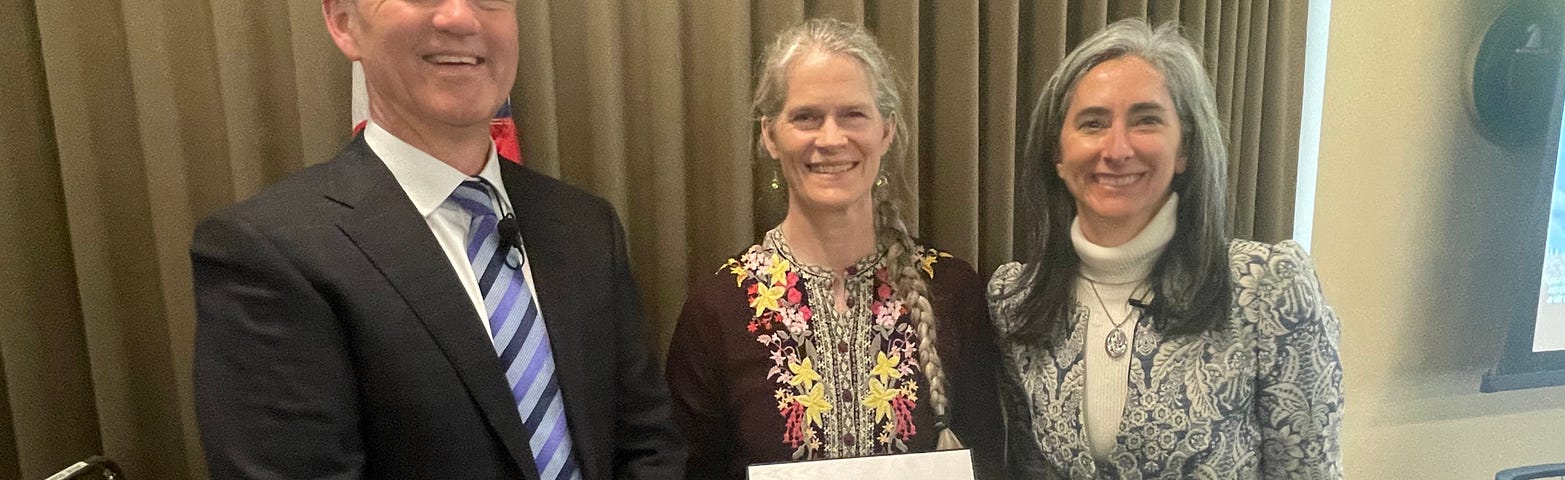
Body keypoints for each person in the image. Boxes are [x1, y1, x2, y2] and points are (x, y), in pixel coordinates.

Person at [190, 0, 684, 478]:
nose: (459, 16)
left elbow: (647, 443)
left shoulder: (584, 225)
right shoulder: (268, 253)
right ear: (345, 23)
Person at [988, 18, 1344, 479]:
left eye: (1146, 121)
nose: (1116, 149)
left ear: (1185, 149)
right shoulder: (1015, 299)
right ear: (1058, 155)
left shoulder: (1268, 288)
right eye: (1093, 123)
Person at [665, 18, 1008, 479]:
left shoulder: (951, 289)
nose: (830, 139)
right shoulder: (718, 309)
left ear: (886, 131)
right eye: (806, 117)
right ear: (769, 134)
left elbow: (987, 461)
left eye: (853, 115)